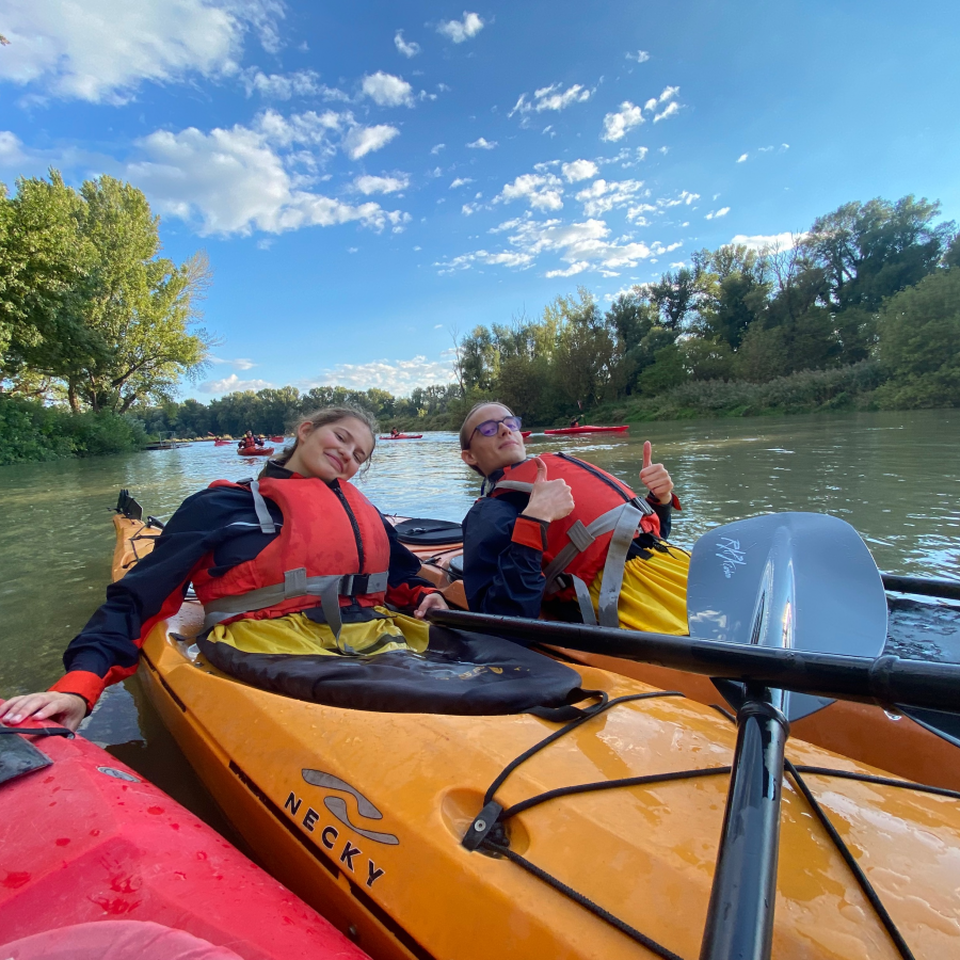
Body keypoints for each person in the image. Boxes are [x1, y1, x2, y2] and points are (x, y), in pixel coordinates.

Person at [0, 407, 448, 732]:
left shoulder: (357, 509)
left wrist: (420, 593)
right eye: (343, 438)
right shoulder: (220, 505)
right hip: (270, 647)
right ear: (307, 430)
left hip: (373, 635)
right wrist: (79, 685)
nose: (349, 455)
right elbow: (139, 597)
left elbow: (400, 574)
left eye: (361, 455)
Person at [458, 401, 688, 634]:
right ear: (470, 456)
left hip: (672, 565)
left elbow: (630, 542)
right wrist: (534, 521)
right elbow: (499, 619)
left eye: (510, 423)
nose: (505, 430)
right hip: (629, 596)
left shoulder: (559, 466)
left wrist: (660, 500)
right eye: (488, 428)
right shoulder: (490, 510)